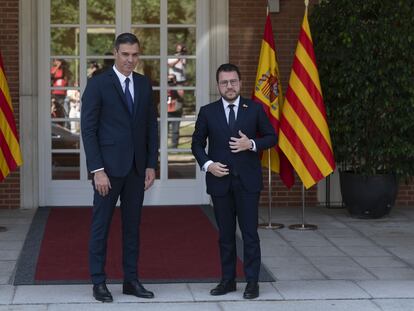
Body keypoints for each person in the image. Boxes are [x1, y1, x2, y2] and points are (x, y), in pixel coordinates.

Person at [81, 32, 158, 303]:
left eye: (135, 55)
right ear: (115, 53)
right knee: (100, 226)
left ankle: (131, 280)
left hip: (137, 169)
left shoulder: (144, 84)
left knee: (132, 227)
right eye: (125, 54)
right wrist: (97, 169)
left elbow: (151, 126)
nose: (130, 60)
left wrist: (151, 164)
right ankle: (98, 281)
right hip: (108, 171)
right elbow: (88, 130)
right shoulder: (98, 84)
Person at [191, 63, 277, 300]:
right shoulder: (208, 112)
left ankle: (252, 282)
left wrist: (251, 144)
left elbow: (272, 137)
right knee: (225, 236)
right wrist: (209, 165)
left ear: (240, 83)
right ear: (218, 85)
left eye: (233, 81)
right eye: (224, 82)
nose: (229, 86)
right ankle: (228, 280)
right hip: (220, 184)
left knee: (250, 234)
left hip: (248, 183)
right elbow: (196, 143)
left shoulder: (255, 109)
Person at [167, 74, 184, 148]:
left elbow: (181, 95)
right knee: (163, 130)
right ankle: (162, 145)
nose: (170, 80)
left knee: (175, 130)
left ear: (175, 79)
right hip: (166, 110)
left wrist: (174, 87)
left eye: (172, 79)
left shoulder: (178, 87)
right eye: (168, 79)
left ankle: (174, 146)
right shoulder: (164, 86)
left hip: (176, 110)